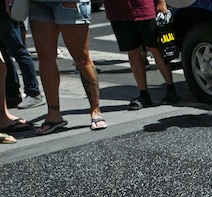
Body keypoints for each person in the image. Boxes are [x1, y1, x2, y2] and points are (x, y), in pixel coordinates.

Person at [29, 0, 106, 134]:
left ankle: (96, 111)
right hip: (39, 3)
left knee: (81, 58)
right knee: (45, 58)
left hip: (69, 2)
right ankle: (53, 115)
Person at [103, 0, 179, 110]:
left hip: (144, 9)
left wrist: (161, 2)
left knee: (156, 49)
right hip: (117, 12)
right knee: (133, 51)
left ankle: (171, 90)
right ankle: (144, 94)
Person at [1, 4, 44, 109]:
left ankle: (33, 93)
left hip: (5, 9)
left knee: (18, 51)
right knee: (5, 53)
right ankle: (12, 94)